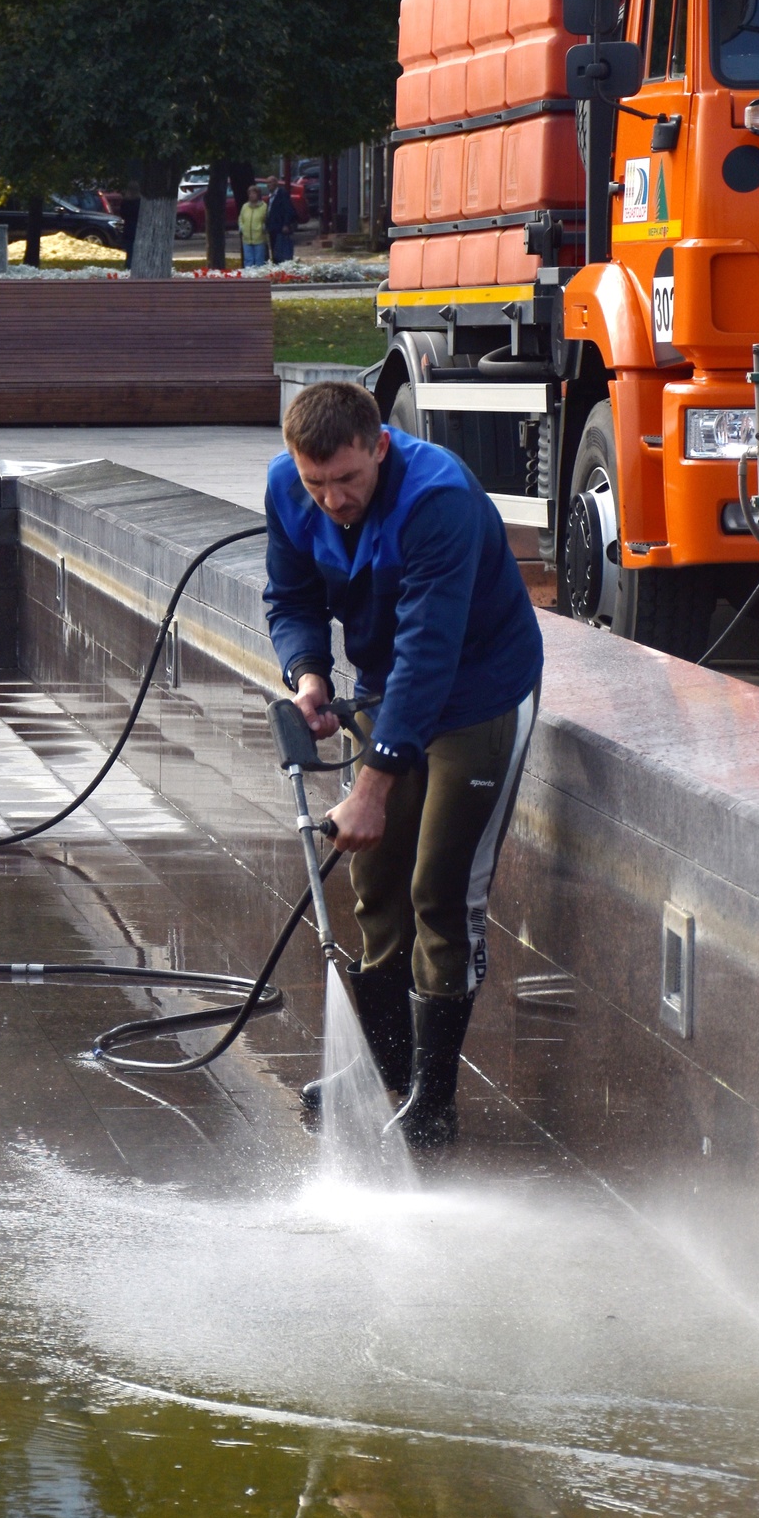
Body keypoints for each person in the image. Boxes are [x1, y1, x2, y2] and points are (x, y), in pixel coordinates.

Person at [264, 382, 545, 1149]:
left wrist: (372, 787)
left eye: (348, 479)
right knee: (377, 884)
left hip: (478, 691)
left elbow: (429, 649)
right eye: (317, 483)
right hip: (387, 685)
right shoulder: (287, 486)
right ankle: (384, 1067)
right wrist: (308, 676)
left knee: (441, 890)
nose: (333, 499)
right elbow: (290, 596)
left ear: (380, 447)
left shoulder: (438, 499)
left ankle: (432, 1102)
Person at [238, 183, 270, 268]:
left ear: (258, 195)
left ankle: (258, 275)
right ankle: (249, 275)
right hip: (246, 238)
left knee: (259, 261)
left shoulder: (264, 206)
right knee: (248, 261)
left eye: (253, 193)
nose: (251, 195)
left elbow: (267, 219)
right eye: (250, 193)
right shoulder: (245, 206)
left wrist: (263, 227)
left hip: (259, 238)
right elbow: (241, 218)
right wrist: (241, 228)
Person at [266, 179, 297, 264]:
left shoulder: (282, 193)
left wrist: (286, 224)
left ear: (276, 183)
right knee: (274, 249)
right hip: (272, 227)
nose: (268, 185)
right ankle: (276, 265)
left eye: (270, 182)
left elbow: (288, 209)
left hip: (280, 227)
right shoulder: (270, 197)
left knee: (281, 250)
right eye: (267, 183)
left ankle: (283, 265)